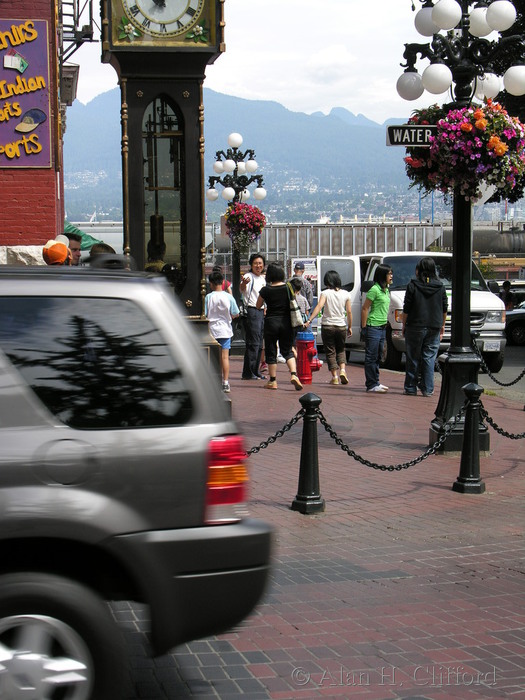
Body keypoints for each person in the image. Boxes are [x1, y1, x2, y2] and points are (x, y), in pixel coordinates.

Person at [401, 258, 448, 397]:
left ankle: (410, 387)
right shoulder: (440, 286)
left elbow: (406, 308)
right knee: (429, 357)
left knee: (413, 357)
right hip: (434, 325)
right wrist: (442, 325)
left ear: (419, 270)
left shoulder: (413, 285)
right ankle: (428, 388)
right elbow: (444, 307)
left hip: (415, 325)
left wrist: (404, 324)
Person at [256, 262, 303, 391]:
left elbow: (258, 305)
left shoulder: (266, 289)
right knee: (287, 350)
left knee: (271, 351)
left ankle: (273, 381)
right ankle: (294, 374)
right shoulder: (288, 287)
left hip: (271, 323)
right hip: (286, 323)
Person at [305, 270, 351, 385]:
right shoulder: (346, 294)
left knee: (330, 352)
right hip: (341, 326)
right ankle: (343, 371)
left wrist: (309, 320)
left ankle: (335, 376)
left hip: (328, 326)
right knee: (341, 349)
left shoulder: (325, 293)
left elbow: (319, 307)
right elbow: (349, 312)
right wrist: (350, 326)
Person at [205, 270, 239, 394]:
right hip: (225, 330)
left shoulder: (208, 297)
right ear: (222, 282)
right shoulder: (229, 297)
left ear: (211, 283)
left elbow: (205, 314)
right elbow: (235, 313)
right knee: (225, 357)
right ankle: (225, 382)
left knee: (213, 357)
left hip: (211, 331)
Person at [361, 263, 393, 393]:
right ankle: (371, 384)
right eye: (389, 274)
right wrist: (364, 327)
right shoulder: (374, 289)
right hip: (373, 326)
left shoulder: (386, 290)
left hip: (382, 327)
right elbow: (365, 308)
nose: (391, 276)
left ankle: (376, 381)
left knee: (379, 355)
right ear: (382, 275)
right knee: (371, 356)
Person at [240, 253, 266, 380]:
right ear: (251, 264)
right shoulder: (248, 276)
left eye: (260, 263)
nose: (258, 266)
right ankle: (248, 372)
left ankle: (256, 371)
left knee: (259, 343)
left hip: (262, 311)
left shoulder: (263, 279)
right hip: (252, 311)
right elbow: (242, 289)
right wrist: (243, 283)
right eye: (255, 263)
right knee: (253, 343)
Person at [289, 276, 310, 356]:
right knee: (299, 342)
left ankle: (295, 358)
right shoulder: (303, 298)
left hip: (293, 323)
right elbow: (307, 311)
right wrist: (306, 321)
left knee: (292, 343)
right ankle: (299, 359)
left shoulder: (290, 298)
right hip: (302, 323)